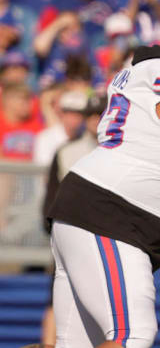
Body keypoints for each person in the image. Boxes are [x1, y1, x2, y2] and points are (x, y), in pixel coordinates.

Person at [46, 46, 160, 348]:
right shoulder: (152, 70)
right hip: (112, 214)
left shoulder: (142, 69)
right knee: (132, 335)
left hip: (102, 209)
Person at [0, 83, 44, 161]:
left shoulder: (36, 123)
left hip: (34, 171)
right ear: (7, 101)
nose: (30, 103)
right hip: (3, 172)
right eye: (24, 99)